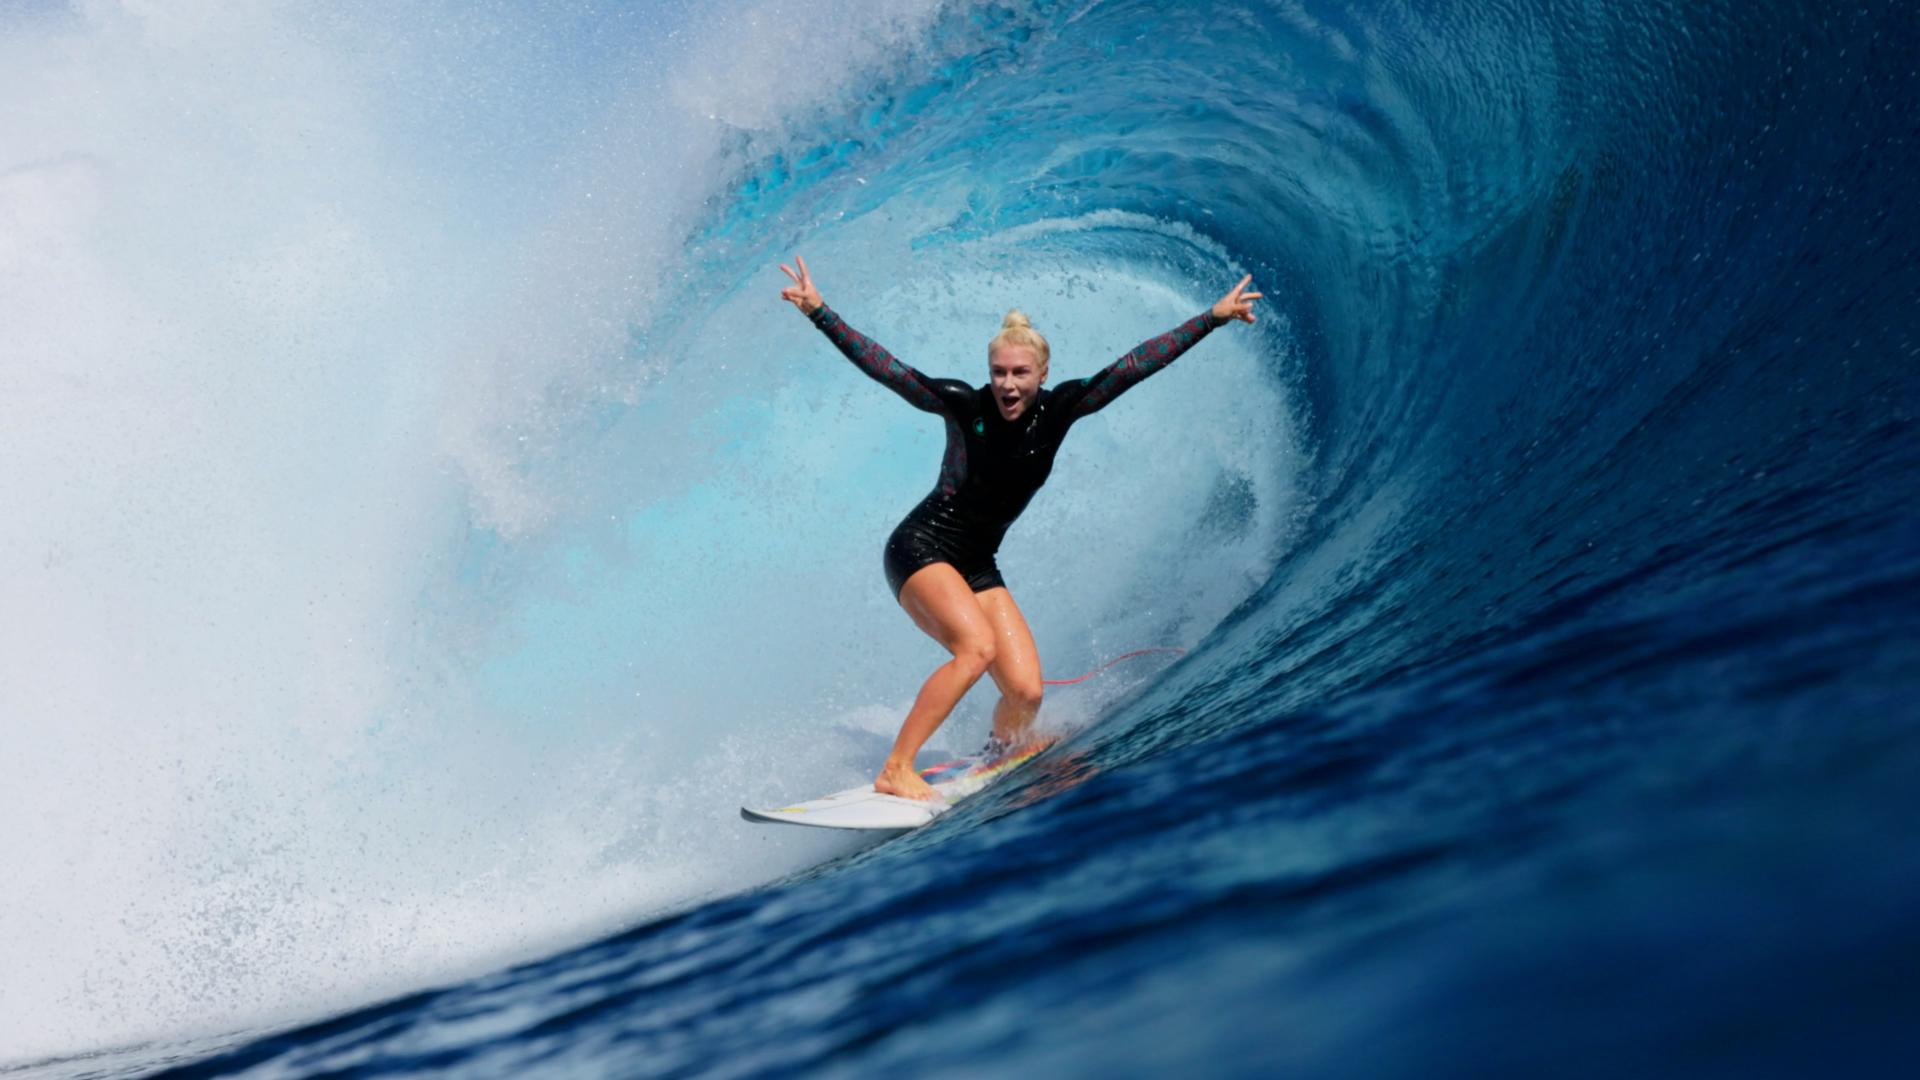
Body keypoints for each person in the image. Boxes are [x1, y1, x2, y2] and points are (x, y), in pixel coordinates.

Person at [779, 255, 1262, 800]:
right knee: (976, 649)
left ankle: (1000, 751)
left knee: (1027, 693)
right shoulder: (965, 406)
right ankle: (896, 768)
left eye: (1020, 373)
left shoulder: (1060, 411)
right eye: (999, 373)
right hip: (921, 549)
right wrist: (821, 313)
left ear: (1042, 374)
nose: (1007, 385)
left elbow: (1132, 367)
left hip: (976, 563)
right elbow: (890, 370)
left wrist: (1212, 317)